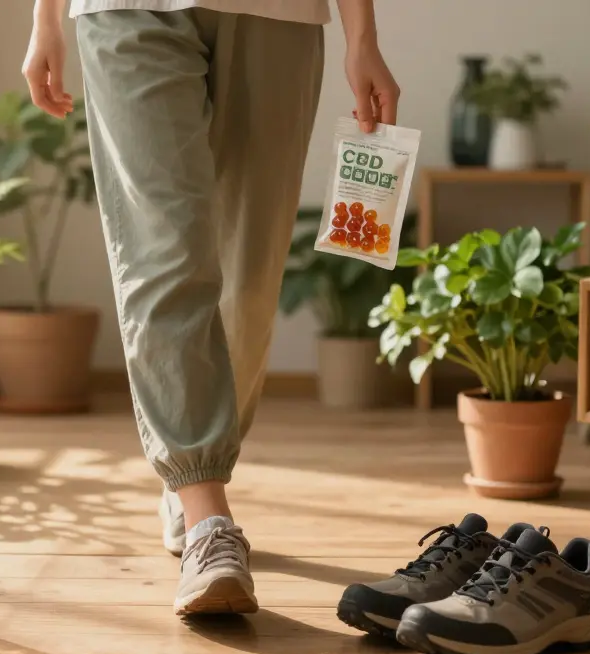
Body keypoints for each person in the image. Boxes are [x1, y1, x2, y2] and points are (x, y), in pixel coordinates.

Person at [23, 0, 400, 616]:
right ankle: (207, 515)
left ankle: (192, 481)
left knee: (250, 278)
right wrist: (45, 19)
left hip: (279, 15)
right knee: (163, 250)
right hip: (126, 13)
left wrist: (364, 36)